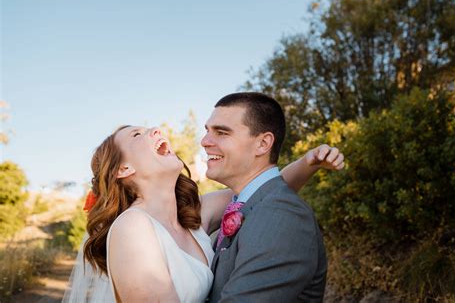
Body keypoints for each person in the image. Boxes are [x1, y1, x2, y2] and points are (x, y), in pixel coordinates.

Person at [64, 116, 343, 301]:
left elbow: (262, 191)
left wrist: (309, 163)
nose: (156, 132)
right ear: (124, 168)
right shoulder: (132, 227)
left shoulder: (196, 215)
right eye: (138, 134)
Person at [203, 92, 340, 302]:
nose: (204, 141)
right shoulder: (247, 204)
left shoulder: (282, 214)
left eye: (222, 132)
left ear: (263, 143)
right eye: (207, 131)